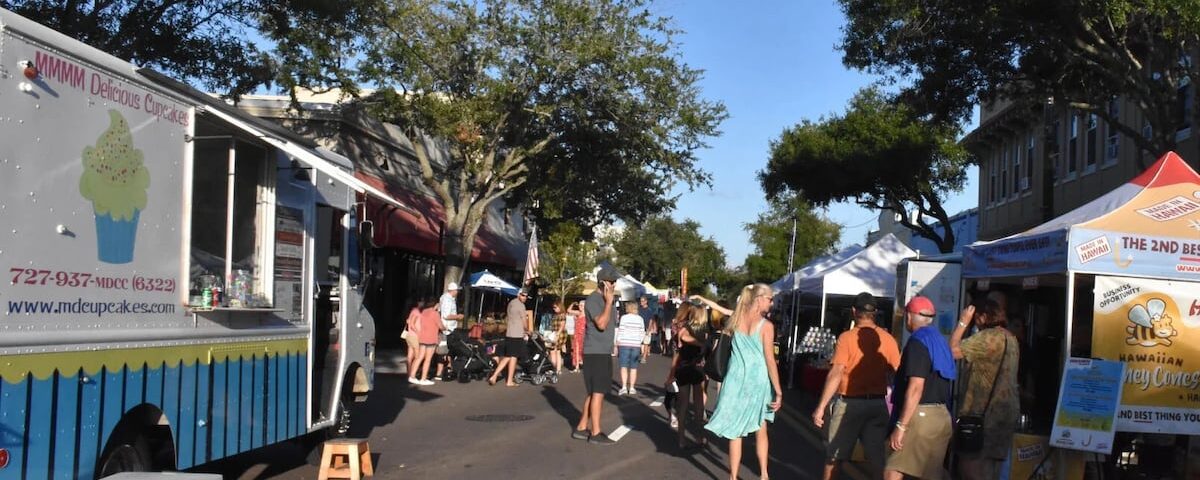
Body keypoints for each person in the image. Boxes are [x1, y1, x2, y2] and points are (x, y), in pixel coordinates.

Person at [812, 292, 901, 480]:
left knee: (834, 458)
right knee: (878, 459)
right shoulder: (888, 339)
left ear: (854, 311)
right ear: (874, 313)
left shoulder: (847, 338)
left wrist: (820, 407)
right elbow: (897, 373)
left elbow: (836, 373)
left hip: (849, 405)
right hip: (877, 404)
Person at [705, 284, 782, 480]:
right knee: (760, 427)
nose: (772, 302)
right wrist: (778, 390)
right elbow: (769, 360)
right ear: (759, 298)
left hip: (735, 379)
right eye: (770, 299)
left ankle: (733, 476)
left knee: (734, 432)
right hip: (757, 381)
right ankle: (764, 474)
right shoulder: (766, 326)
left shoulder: (736, 318)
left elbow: (721, 310)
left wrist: (702, 299)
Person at [885, 296, 956, 480]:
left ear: (910, 316)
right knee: (932, 474)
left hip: (921, 416)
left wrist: (901, 425)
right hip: (942, 417)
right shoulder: (940, 341)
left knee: (894, 469)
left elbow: (916, 386)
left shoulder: (918, 342)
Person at [951, 299, 1020, 480]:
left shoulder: (988, 337)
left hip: (982, 413)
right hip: (1006, 410)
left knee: (969, 464)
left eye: (976, 318)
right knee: (991, 465)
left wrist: (963, 322)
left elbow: (952, 350)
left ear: (982, 317)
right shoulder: (1011, 338)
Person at [572, 266, 621, 445]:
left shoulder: (607, 299)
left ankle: (581, 426)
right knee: (598, 393)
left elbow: (609, 327)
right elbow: (601, 324)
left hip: (603, 351)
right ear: (602, 283)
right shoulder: (594, 300)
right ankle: (596, 432)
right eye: (611, 281)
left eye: (615, 281)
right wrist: (608, 303)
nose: (614, 284)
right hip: (595, 352)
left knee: (595, 392)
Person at [665, 302, 709, 450]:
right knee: (698, 406)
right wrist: (700, 343)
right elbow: (683, 337)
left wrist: (672, 373)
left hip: (684, 368)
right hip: (696, 369)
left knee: (684, 406)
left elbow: (680, 343)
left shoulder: (687, 327)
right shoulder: (701, 330)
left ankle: (682, 439)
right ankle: (699, 436)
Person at [489, 289, 531, 387]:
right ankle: (498, 377)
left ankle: (507, 379)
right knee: (511, 357)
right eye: (523, 295)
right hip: (517, 334)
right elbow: (524, 321)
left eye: (525, 296)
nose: (524, 298)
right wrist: (528, 330)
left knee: (511, 356)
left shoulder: (511, 303)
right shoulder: (521, 306)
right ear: (518, 294)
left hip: (509, 333)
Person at [433, 282, 464, 381]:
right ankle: (442, 371)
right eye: (457, 290)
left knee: (445, 350)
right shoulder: (447, 300)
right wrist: (458, 316)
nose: (458, 292)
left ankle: (442, 371)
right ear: (453, 290)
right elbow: (446, 315)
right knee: (444, 350)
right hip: (447, 329)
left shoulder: (445, 298)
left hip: (448, 328)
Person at [615, 301, 646, 395]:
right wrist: (639, 341)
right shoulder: (640, 319)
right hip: (636, 344)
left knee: (623, 366)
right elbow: (642, 331)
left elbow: (621, 330)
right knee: (633, 367)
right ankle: (632, 387)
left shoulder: (624, 318)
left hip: (624, 343)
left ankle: (624, 386)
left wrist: (617, 342)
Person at [412, 297, 442, 386]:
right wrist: (445, 328)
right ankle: (423, 378)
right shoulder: (435, 313)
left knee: (420, 357)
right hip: (431, 337)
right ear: (435, 304)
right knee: (428, 359)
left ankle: (412, 375)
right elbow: (440, 325)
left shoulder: (424, 312)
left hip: (423, 337)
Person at [404, 300, 423, 382]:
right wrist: (419, 332)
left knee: (410, 356)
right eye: (421, 302)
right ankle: (413, 374)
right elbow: (412, 323)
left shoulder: (412, 311)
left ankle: (409, 374)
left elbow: (408, 321)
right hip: (414, 336)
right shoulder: (417, 312)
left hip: (409, 335)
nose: (423, 303)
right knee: (417, 356)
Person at [546, 303, 567, 374]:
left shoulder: (562, 315)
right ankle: (556, 368)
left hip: (559, 334)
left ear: (560, 307)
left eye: (555, 307)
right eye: (553, 307)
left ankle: (556, 369)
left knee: (556, 351)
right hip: (554, 333)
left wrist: (557, 334)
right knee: (554, 351)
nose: (554, 309)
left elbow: (562, 325)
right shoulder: (555, 315)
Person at [569, 300, 586, 372]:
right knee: (576, 349)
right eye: (579, 305)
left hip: (584, 334)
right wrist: (572, 304)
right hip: (577, 333)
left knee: (584, 350)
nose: (580, 307)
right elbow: (569, 310)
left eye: (582, 305)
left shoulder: (588, 314)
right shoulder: (578, 313)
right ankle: (577, 366)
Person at [638, 296, 657, 363]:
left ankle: (644, 357)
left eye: (643, 301)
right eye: (641, 301)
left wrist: (649, 329)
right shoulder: (639, 310)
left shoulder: (649, 310)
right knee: (640, 343)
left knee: (646, 343)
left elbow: (651, 320)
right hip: (640, 329)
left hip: (646, 328)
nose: (641, 302)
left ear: (646, 301)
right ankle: (642, 354)